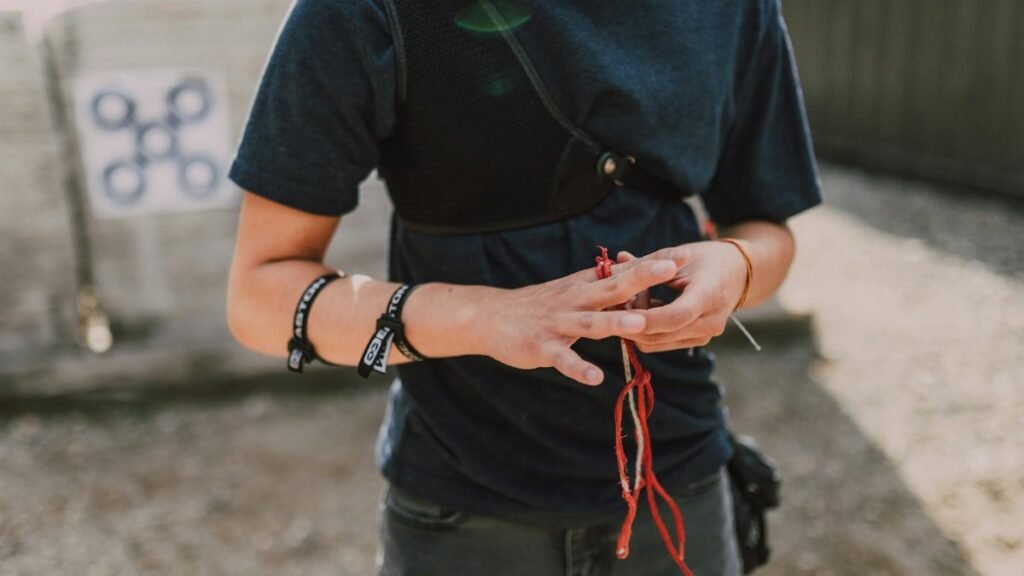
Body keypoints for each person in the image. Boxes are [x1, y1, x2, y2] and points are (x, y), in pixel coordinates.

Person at [226, 0, 821, 574]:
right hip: (462, 510)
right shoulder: (364, 11)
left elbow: (768, 228)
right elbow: (259, 294)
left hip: (680, 485)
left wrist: (737, 267)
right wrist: (489, 318)